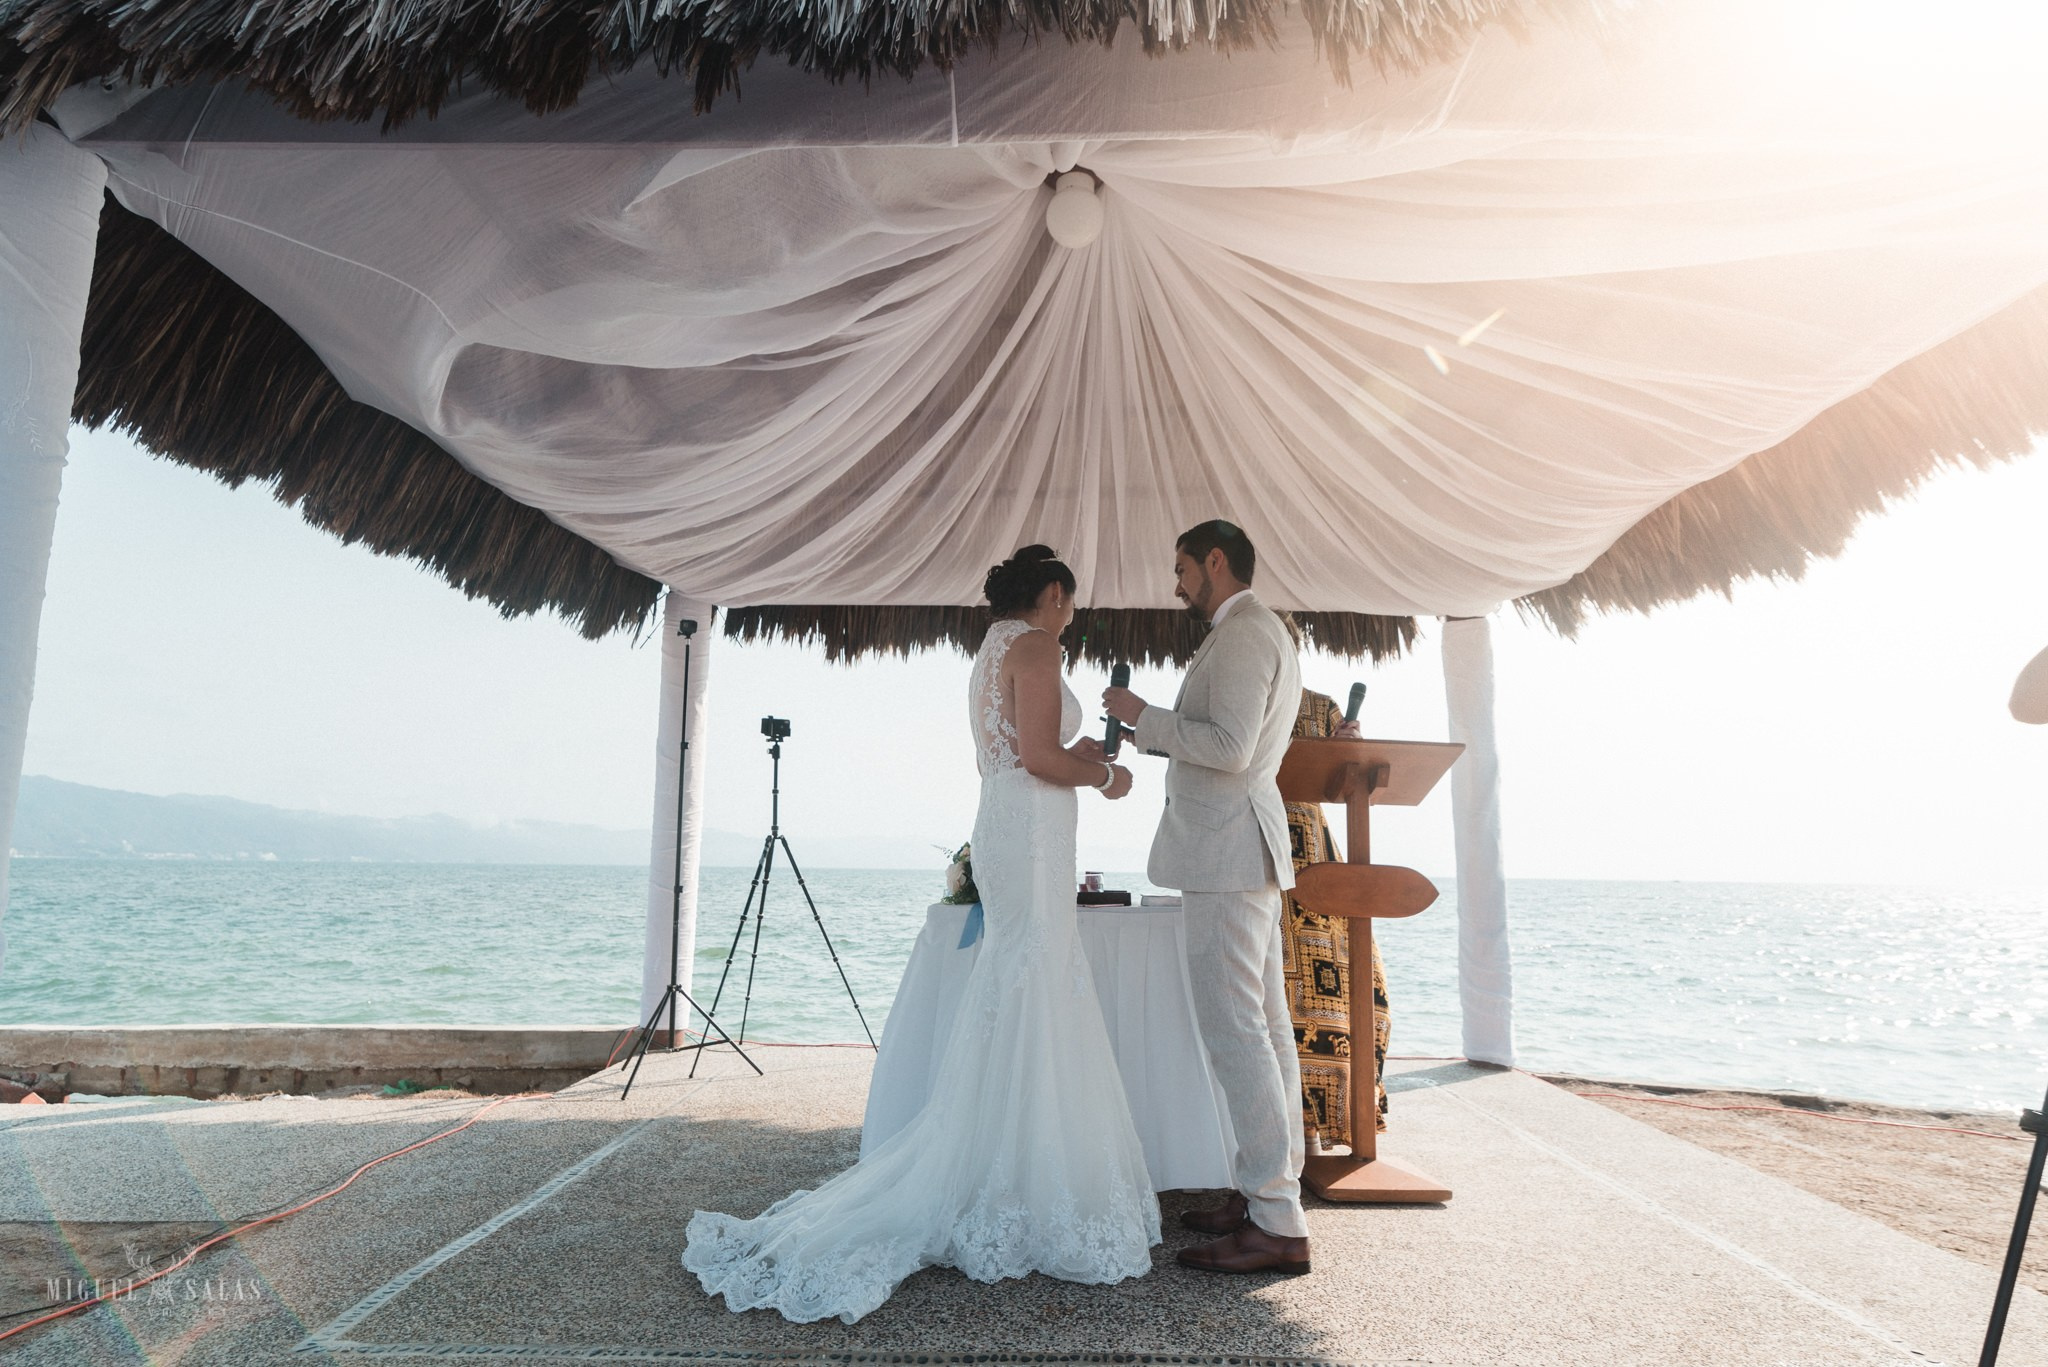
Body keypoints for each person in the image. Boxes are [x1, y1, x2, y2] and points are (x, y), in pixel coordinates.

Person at [683, 546, 1159, 1323]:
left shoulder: (990, 650)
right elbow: (1038, 754)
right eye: (1068, 602)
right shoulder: (1038, 644)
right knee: (1037, 980)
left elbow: (1020, 749)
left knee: (1022, 981)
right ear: (1050, 594)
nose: (1071, 614)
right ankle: (1025, 1186)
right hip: (1031, 830)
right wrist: (1106, 776)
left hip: (1010, 822)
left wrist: (1084, 758)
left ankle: (1001, 1171)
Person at [1104, 519, 1310, 1276]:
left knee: (1238, 1034)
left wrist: (1142, 717)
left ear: (1215, 561)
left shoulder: (1247, 632)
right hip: (1240, 852)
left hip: (1227, 854)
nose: (1177, 583)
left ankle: (1277, 1221)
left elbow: (1228, 746)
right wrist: (1156, 728)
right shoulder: (1256, 631)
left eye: (1183, 568)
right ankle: (1265, 1196)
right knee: (1266, 1032)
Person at [1281, 686, 1391, 1148]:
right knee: (1284, 995)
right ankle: (1291, 1124)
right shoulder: (1234, 687)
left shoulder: (1321, 706)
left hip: (1317, 850)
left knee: (1360, 991)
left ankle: (1341, 1117)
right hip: (1257, 846)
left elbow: (1357, 789)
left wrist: (1354, 748)